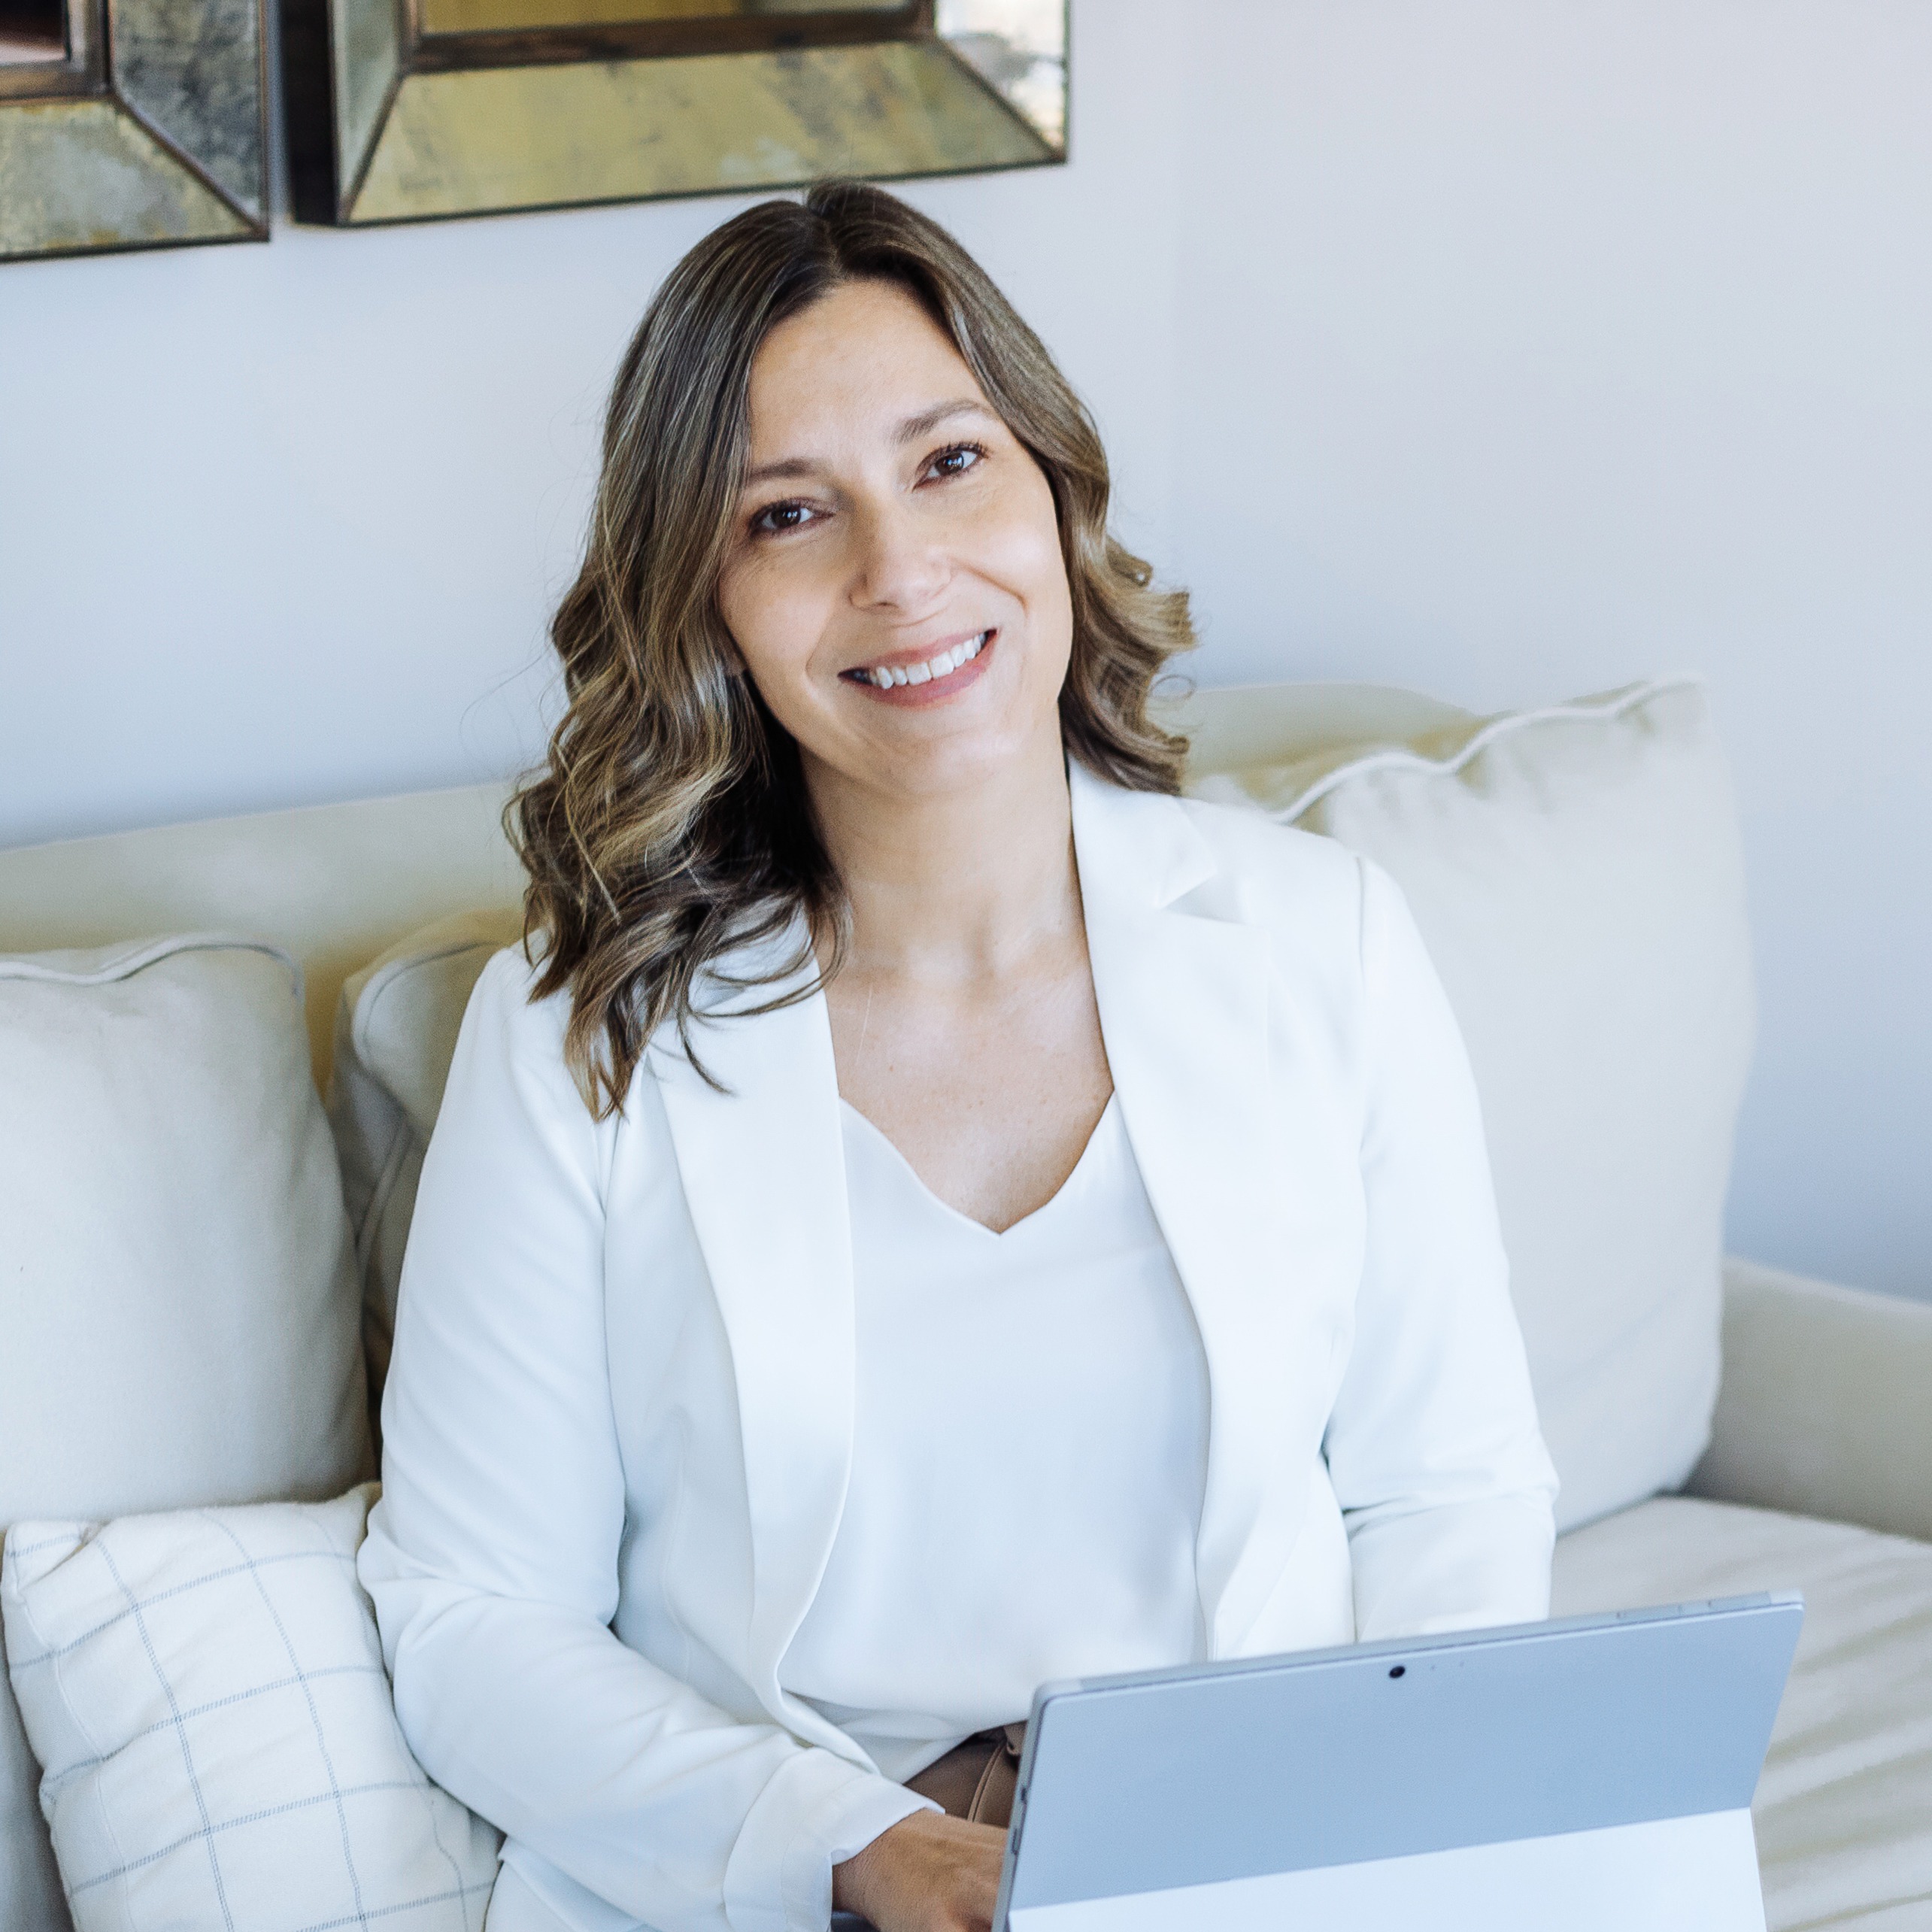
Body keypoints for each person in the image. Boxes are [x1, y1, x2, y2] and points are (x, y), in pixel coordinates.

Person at [359, 180, 1557, 1932]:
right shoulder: (580, 1038)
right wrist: (860, 1847)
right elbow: (473, 1614)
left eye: (948, 463)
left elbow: (1447, 1490)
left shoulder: (1326, 943)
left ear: (1053, 490)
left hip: (1260, 1860)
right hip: (808, 1879)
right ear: (705, 600)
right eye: (789, 513)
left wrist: (1375, 1844)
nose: (901, 572)